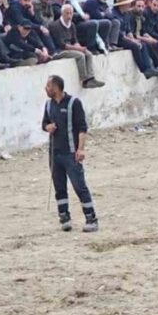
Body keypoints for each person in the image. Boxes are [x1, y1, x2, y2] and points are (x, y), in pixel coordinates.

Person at [42, 74, 99, 232]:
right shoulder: (48, 105)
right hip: (55, 153)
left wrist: (80, 149)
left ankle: (91, 218)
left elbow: (82, 127)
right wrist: (48, 127)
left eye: (48, 86)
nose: (46, 89)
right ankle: (64, 217)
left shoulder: (74, 103)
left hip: (70, 152)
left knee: (79, 186)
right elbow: (44, 123)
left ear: (55, 87)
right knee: (59, 187)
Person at [48, 4, 105, 89]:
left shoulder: (72, 25)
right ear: (62, 13)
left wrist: (80, 47)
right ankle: (84, 79)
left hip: (71, 47)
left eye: (70, 13)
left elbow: (75, 40)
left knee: (88, 54)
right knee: (80, 55)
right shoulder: (55, 26)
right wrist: (78, 48)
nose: (69, 16)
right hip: (60, 50)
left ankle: (91, 78)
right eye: (67, 13)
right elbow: (62, 45)